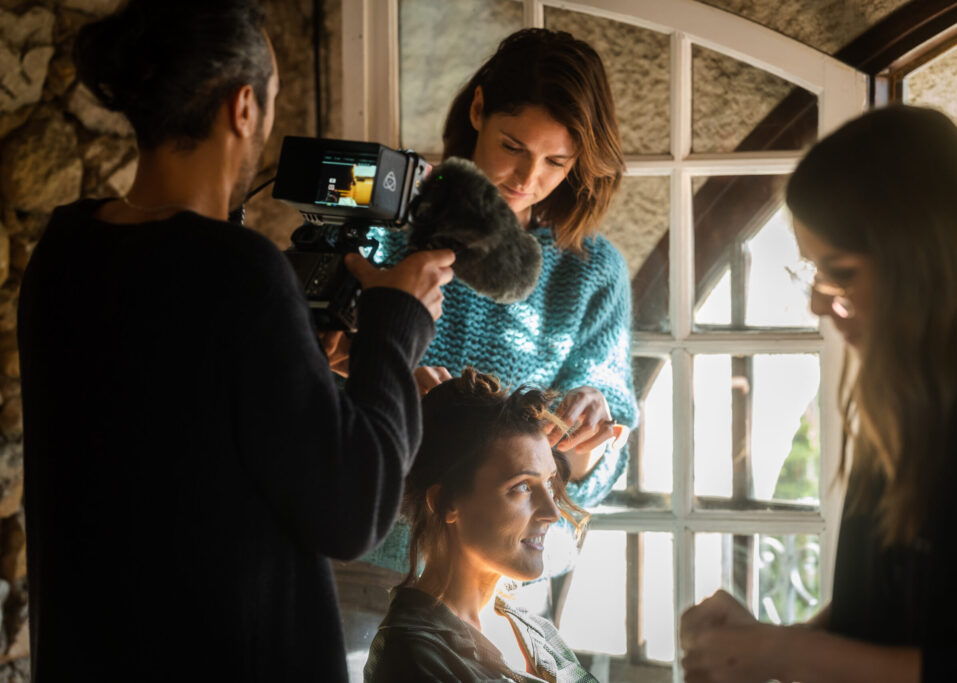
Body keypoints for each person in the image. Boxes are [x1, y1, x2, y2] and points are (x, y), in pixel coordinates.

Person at [17, 1, 454, 680]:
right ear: (243, 107)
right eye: (273, 101)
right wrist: (397, 323)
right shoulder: (240, 269)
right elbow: (354, 508)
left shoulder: (64, 252)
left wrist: (300, 357)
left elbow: (173, 419)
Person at [678, 104, 957, 682]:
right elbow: (907, 604)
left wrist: (781, 654)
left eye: (840, 272)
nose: (818, 303)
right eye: (812, 271)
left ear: (922, 259)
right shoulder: (921, 383)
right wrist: (768, 644)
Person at [363, 27, 638, 579]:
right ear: (479, 108)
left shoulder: (589, 270)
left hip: (503, 577)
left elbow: (601, 466)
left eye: (557, 162)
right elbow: (308, 392)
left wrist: (585, 441)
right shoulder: (385, 224)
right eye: (513, 146)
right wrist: (385, 382)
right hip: (364, 554)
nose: (528, 178)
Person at [363, 369, 597, 682]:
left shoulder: (535, 631)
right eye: (522, 487)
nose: (552, 512)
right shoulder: (412, 656)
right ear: (447, 502)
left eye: (549, 483)